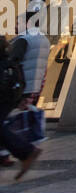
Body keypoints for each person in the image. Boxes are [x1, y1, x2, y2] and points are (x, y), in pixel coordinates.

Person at [0, 30, 40, 181]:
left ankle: (26, 151)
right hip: (12, 96)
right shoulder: (9, 60)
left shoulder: (24, 40)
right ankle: (25, 152)